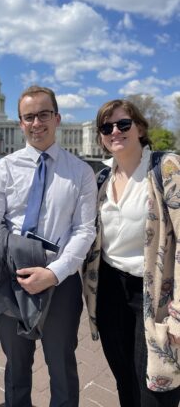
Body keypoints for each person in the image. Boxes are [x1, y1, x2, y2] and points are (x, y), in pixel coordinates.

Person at [0, 85, 97, 407]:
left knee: (61, 363)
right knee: (16, 365)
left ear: (57, 118)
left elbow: (85, 230)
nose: (36, 123)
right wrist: (16, 264)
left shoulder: (80, 171)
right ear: (20, 123)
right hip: (12, 278)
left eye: (44, 114)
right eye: (29, 117)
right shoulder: (5, 168)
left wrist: (54, 272)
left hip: (60, 280)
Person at [83, 99, 180, 407]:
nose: (115, 131)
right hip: (111, 288)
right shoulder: (102, 178)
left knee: (157, 385)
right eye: (106, 127)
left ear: (139, 127)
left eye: (123, 124)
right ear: (100, 136)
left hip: (152, 292)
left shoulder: (167, 169)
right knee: (124, 377)